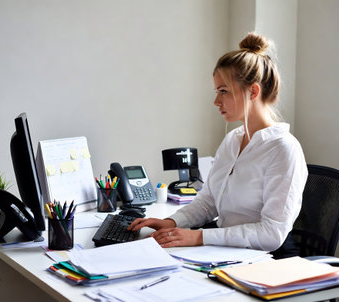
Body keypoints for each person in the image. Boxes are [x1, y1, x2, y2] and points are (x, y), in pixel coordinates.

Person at [128, 32, 308, 257]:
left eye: (223, 91)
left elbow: (272, 234)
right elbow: (209, 202)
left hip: (267, 260)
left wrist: (199, 237)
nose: (216, 101)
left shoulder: (283, 149)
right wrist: (172, 222)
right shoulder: (232, 140)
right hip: (225, 250)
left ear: (252, 91)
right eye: (217, 91)